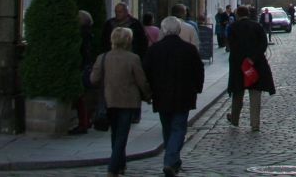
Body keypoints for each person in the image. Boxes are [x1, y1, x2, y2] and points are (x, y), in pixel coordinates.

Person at [143, 15, 204, 177]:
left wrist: (148, 91)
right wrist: (198, 88)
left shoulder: (154, 50)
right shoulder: (189, 49)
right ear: (178, 30)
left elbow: (146, 71)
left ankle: (172, 159)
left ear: (163, 30)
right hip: (184, 94)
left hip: (161, 94)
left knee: (168, 127)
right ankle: (171, 161)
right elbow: (199, 71)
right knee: (178, 128)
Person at [90, 25, 151, 177]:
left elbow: (93, 79)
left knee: (115, 134)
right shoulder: (133, 58)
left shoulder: (103, 57)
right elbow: (141, 80)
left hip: (109, 100)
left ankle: (120, 165)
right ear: (128, 40)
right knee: (122, 135)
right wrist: (148, 95)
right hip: (128, 102)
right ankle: (112, 168)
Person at [225, 5, 276, 132]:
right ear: (248, 14)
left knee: (237, 94)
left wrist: (242, 60)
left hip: (238, 65)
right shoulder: (257, 26)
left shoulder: (233, 27)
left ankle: (235, 120)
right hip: (256, 64)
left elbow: (231, 46)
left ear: (237, 15)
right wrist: (252, 59)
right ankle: (255, 124)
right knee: (255, 95)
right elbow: (263, 44)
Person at [71, 9, 96, 135]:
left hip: (82, 67)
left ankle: (83, 123)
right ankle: (87, 120)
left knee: (81, 97)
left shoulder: (81, 34)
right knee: (86, 96)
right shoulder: (89, 33)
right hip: (88, 66)